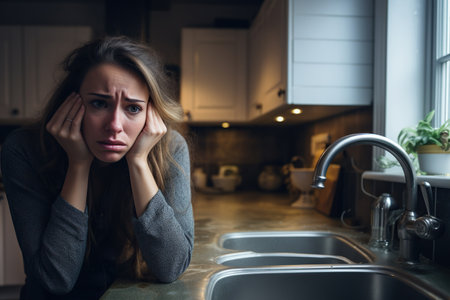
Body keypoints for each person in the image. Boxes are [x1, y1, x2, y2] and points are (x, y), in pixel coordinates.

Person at [0, 36, 194, 299]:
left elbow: (171, 266)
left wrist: (138, 162)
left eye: (133, 108)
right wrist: (78, 165)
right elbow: (54, 279)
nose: (115, 125)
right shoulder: (23, 150)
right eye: (99, 103)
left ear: (152, 113)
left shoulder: (170, 148)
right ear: (71, 102)